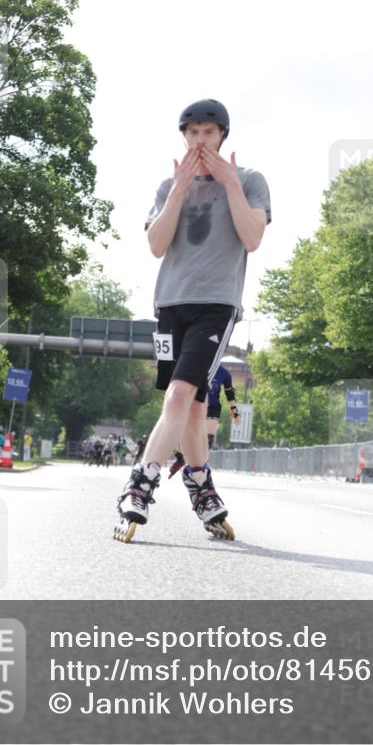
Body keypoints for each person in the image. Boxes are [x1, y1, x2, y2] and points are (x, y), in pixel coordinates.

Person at [114, 99, 271, 542]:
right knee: (194, 405)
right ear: (184, 136)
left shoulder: (250, 180)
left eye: (209, 132)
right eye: (193, 133)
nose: (201, 140)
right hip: (170, 304)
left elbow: (253, 238)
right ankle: (202, 488)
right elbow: (156, 245)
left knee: (181, 393)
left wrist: (230, 184)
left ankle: (139, 484)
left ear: (222, 136)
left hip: (217, 305)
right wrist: (179, 190)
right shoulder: (169, 186)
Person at [168, 363, 240, 477]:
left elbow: (229, 393)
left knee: (208, 439)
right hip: (194, 404)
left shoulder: (224, 373)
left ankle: (199, 467)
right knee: (182, 436)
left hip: (212, 407)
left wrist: (235, 413)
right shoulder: (196, 364)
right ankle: (181, 457)